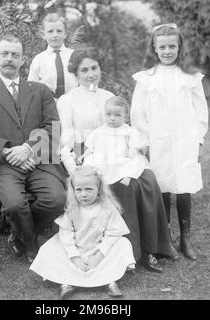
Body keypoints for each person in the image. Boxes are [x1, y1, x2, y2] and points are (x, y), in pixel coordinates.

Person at [57, 47, 178, 273]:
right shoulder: (67, 100)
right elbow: (65, 144)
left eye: (94, 68)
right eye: (84, 70)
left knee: (148, 180)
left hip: (117, 153)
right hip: (89, 157)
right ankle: (133, 251)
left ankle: (157, 245)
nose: (91, 74)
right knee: (128, 187)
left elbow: (123, 128)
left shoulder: (107, 97)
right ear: (75, 73)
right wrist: (77, 172)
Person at [0, 34, 67, 264]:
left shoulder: (41, 91)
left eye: (15, 55)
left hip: (38, 161)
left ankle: (19, 235)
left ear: (23, 60)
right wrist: (7, 153)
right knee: (13, 204)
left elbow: (53, 127)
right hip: (4, 164)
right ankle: (31, 244)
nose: (9, 59)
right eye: (4, 54)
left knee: (56, 199)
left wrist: (28, 149)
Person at [131, 23, 209, 260]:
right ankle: (165, 238)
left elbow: (200, 111)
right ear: (154, 48)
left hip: (184, 139)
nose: (167, 51)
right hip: (158, 140)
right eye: (162, 47)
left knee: (184, 184)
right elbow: (138, 113)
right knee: (162, 184)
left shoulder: (191, 77)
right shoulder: (146, 79)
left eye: (172, 46)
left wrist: (198, 141)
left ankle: (185, 238)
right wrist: (144, 141)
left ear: (179, 47)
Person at [84, 95, 179, 271]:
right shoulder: (98, 133)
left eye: (117, 115)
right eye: (109, 114)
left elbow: (136, 156)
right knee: (117, 188)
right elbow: (90, 152)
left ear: (125, 117)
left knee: (144, 183)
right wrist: (91, 168)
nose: (112, 118)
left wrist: (129, 172)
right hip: (104, 169)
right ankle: (126, 253)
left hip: (126, 167)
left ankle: (152, 247)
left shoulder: (130, 133)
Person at [30, 166, 135, 299]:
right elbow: (66, 236)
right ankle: (67, 281)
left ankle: (109, 280)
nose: (83, 194)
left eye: (89, 189)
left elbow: (113, 234)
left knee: (123, 244)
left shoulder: (107, 208)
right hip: (76, 249)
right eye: (78, 190)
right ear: (73, 191)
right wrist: (75, 257)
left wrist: (99, 255)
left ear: (99, 190)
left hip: (99, 250)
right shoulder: (71, 209)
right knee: (50, 248)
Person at [28, 12, 77, 99]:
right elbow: (31, 87)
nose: (55, 35)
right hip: (47, 103)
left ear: (65, 34)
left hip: (73, 101)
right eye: (50, 31)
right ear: (43, 35)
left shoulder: (74, 56)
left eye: (59, 31)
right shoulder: (39, 60)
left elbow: (84, 80)